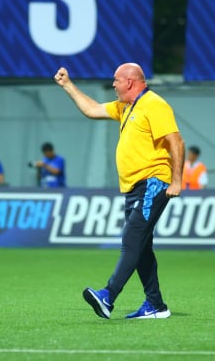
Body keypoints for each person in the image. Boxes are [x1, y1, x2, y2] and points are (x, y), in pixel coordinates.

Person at [54, 63, 185, 319]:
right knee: (142, 247)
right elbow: (92, 110)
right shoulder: (126, 106)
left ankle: (108, 296)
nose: (112, 85)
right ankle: (155, 305)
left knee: (132, 240)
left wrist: (177, 181)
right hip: (134, 187)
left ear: (129, 82)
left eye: (115, 80)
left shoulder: (154, 104)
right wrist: (68, 85)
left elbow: (176, 141)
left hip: (153, 182)